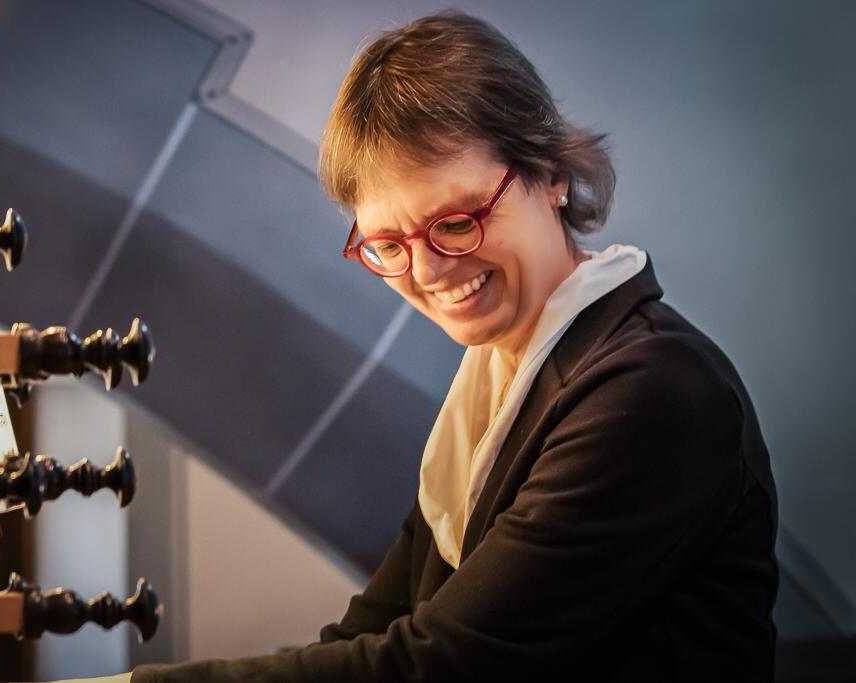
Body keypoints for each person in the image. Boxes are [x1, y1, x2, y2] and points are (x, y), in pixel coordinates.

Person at [130, 10, 779, 682]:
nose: (428, 271)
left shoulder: (651, 390)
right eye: (388, 244)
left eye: (457, 221)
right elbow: (370, 630)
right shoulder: (497, 386)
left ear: (550, 174)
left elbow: (444, 665)